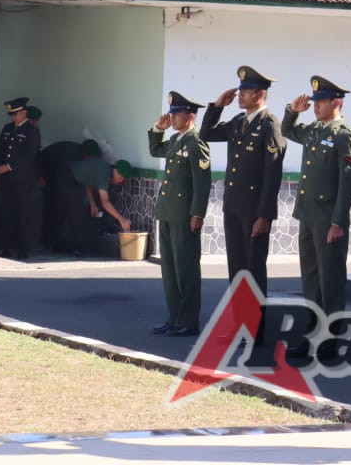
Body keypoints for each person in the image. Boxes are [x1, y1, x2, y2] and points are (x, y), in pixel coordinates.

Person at [282, 75, 351, 356]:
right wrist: (293, 110)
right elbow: (287, 130)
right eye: (314, 102)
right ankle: (312, 334)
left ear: (336, 103)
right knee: (312, 281)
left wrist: (338, 222)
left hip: (329, 219)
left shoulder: (345, 135)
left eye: (321, 102)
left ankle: (331, 340)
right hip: (308, 216)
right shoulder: (314, 130)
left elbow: (347, 182)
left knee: (331, 281)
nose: (315, 106)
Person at [201, 66, 286, 296]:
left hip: (254, 211)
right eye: (240, 90)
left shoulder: (269, 125)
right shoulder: (238, 122)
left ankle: (255, 331)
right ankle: (241, 327)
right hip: (234, 207)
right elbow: (206, 134)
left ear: (260, 94)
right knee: (236, 271)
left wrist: (264, 216)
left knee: (253, 272)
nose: (239, 95)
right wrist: (218, 106)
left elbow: (272, 174)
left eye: (245, 91)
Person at [150, 92, 212, 337]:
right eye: (172, 114)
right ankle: (173, 316)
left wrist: (197, 213)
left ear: (190, 115)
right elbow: (156, 150)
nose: (173, 118)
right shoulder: (176, 139)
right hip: (167, 212)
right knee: (170, 269)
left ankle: (188, 321)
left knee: (185, 269)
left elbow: (202, 183)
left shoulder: (197, 142)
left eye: (177, 114)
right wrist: (158, 128)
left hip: (185, 214)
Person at [0, 97, 41, 260]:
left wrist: (9, 166)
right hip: (7, 179)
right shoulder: (7, 128)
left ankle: (23, 249)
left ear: (24, 112)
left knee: (23, 214)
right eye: (11, 114)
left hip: (23, 179)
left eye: (15, 114)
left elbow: (30, 156)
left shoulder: (32, 131)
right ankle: (4, 247)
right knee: (5, 213)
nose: (13, 117)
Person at [70, 154, 135, 257]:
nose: (121, 181)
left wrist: (93, 204)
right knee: (77, 213)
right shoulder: (104, 175)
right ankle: (74, 249)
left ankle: (79, 249)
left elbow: (89, 182)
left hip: (77, 179)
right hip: (67, 177)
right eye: (121, 177)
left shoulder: (107, 171)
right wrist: (121, 219)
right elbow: (105, 203)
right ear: (116, 171)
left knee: (86, 212)